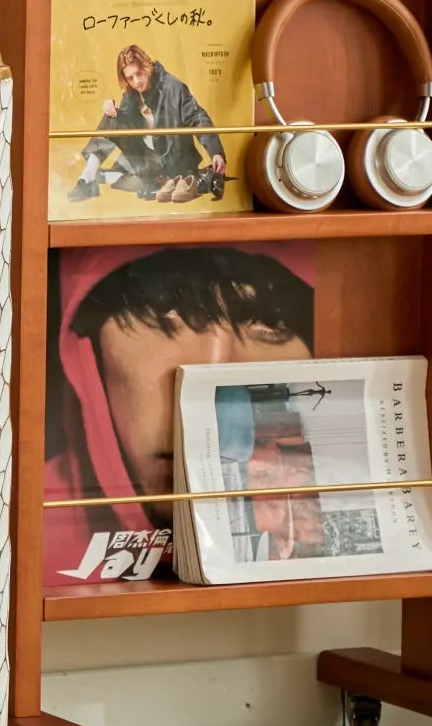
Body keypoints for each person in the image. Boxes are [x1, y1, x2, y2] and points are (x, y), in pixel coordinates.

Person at [44, 244, 314, 582]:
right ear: (86, 347)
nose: (210, 387)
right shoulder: (0, 535)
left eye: (273, 319)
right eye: (157, 308)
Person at [70, 44, 228, 205]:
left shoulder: (173, 87)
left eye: (139, 74)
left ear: (147, 66)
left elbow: (197, 117)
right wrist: (111, 109)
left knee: (140, 186)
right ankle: (86, 179)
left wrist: (215, 151)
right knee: (111, 118)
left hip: (171, 157)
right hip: (146, 157)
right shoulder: (131, 94)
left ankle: (108, 177)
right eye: (130, 78)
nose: (136, 81)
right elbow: (122, 123)